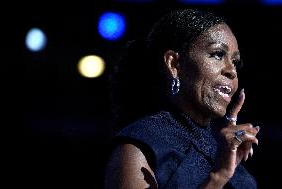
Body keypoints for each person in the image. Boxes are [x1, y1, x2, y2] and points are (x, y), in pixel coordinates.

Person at [105, 8, 260, 189]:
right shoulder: (138, 147)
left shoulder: (223, 147)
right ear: (174, 64)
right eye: (217, 54)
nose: (231, 70)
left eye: (235, 62)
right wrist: (219, 177)